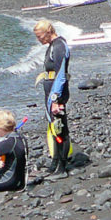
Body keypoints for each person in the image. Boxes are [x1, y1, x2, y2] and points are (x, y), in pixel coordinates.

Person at [34, 19, 72, 179]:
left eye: (40, 36)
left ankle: (62, 168)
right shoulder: (51, 46)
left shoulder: (59, 46)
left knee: (60, 128)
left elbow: (61, 74)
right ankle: (55, 162)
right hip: (50, 92)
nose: (39, 40)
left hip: (57, 94)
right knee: (53, 126)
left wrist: (56, 99)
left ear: (49, 31)